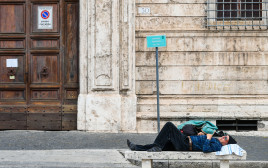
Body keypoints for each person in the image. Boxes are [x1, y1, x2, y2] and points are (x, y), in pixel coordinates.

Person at [127, 122, 237, 153]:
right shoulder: (216, 141)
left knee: (169, 126)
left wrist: (208, 138)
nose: (222, 137)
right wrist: (201, 136)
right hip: (186, 141)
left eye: (225, 138)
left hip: (185, 144)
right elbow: (202, 143)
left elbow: (205, 149)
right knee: (162, 144)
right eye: (224, 136)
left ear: (226, 143)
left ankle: (157, 147)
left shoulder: (217, 146)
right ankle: (136, 147)